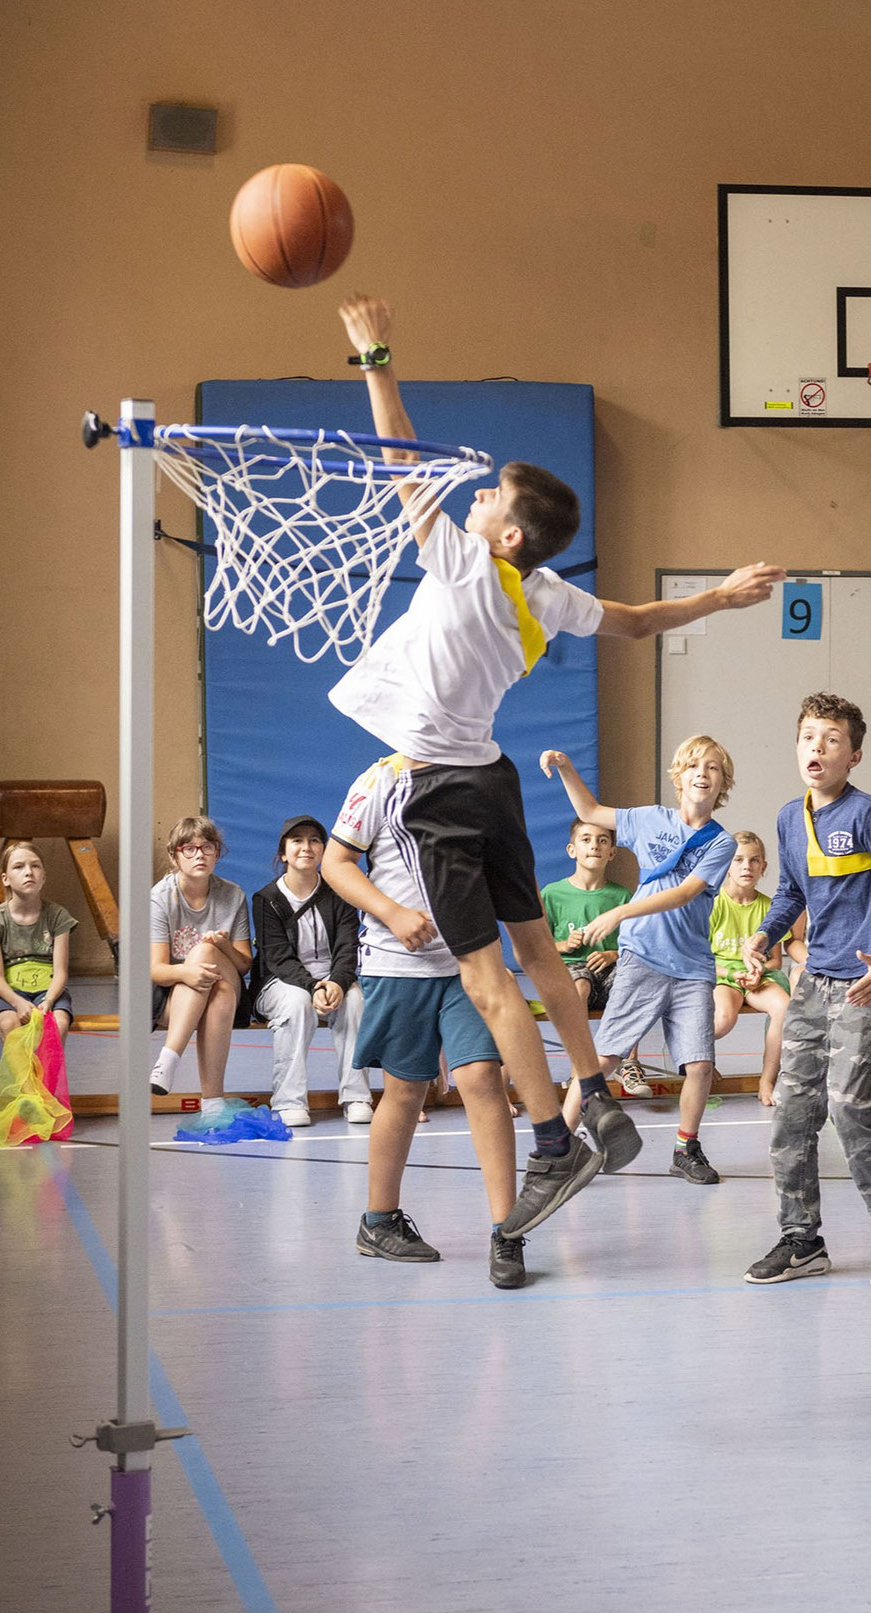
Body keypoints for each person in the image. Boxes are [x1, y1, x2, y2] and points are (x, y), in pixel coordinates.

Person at [331, 293, 783, 1237]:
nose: (474, 494)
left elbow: (398, 453)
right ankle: (596, 1094)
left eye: (489, 495)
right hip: (492, 777)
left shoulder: (463, 566)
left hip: (440, 788)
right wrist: (723, 597)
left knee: (487, 976)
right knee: (538, 951)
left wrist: (375, 355)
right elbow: (642, 621)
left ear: (503, 535)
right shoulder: (542, 595)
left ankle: (553, 1144)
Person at [741, 693, 871, 1289]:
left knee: (849, 1104)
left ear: (854, 756)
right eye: (808, 737)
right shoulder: (787, 818)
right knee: (792, 1111)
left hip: (866, 986)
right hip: (813, 984)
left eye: (831, 739)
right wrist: (766, 935)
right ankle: (802, 1240)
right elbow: (792, 892)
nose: (816, 748)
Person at [324, 756, 528, 1288]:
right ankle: (378, 1221)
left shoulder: (481, 774)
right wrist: (392, 913)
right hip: (398, 965)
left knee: (483, 1077)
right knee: (406, 1091)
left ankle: (507, 1231)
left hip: (470, 961)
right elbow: (335, 863)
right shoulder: (380, 778)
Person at [540, 738, 738, 1184]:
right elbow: (590, 811)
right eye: (693, 765)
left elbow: (685, 893)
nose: (702, 773)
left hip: (691, 968)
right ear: (678, 776)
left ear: (723, 783)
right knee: (603, 1059)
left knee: (700, 1066)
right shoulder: (649, 819)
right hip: (643, 957)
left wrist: (620, 912)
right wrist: (567, 767)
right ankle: (559, 1150)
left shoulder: (721, 843)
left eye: (712, 768)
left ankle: (686, 1148)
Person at [253, 815, 369, 1127]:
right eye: (297, 841)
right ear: (283, 853)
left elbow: (348, 947)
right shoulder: (266, 899)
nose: (306, 847)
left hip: (334, 979)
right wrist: (313, 986)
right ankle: (288, 1101)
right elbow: (278, 958)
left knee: (355, 1001)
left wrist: (338, 983)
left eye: (314, 840)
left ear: (323, 851)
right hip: (282, 982)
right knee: (296, 1003)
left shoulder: (340, 892)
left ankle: (357, 1096)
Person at [148, 816, 252, 1103]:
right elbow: (156, 970)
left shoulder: (233, 894)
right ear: (174, 856)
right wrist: (187, 973)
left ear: (217, 853)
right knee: (221, 994)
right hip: (173, 995)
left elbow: (244, 964)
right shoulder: (160, 898)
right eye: (189, 849)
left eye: (207, 847)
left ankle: (168, 1058)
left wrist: (223, 946)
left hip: (226, 975)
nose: (199, 855)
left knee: (205, 951)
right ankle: (213, 1103)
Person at [711, 832, 793, 1107]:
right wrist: (731, 974)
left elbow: (775, 961)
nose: (747, 866)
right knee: (724, 1019)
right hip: (723, 976)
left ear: (763, 867)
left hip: (759, 977)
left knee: (784, 1008)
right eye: (738, 860)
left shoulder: (770, 907)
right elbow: (701, 959)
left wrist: (757, 971)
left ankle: (767, 1080)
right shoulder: (713, 904)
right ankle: (699, 1062)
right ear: (727, 864)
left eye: (754, 860)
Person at [0, 841, 77, 1043]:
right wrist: (17, 1002)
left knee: (58, 1024)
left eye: (35, 866)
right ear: (5, 879)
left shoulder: (58, 916)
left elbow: (61, 972)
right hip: (11, 994)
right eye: (19, 866)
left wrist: (49, 1000)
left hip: (49, 992)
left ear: (43, 877)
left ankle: (48, 1066)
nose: (29, 872)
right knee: (9, 1024)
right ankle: (20, 1066)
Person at [540, 819, 630, 1014]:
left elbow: (637, 946)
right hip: (570, 971)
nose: (594, 846)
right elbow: (537, 947)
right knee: (581, 984)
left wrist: (613, 954)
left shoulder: (623, 897)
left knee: (634, 983)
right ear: (572, 850)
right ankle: (578, 1035)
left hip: (611, 971)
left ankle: (621, 1036)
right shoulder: (552, 894)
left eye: (602, 840)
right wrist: (564, 945)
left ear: (612, 852)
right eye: (586, 840)